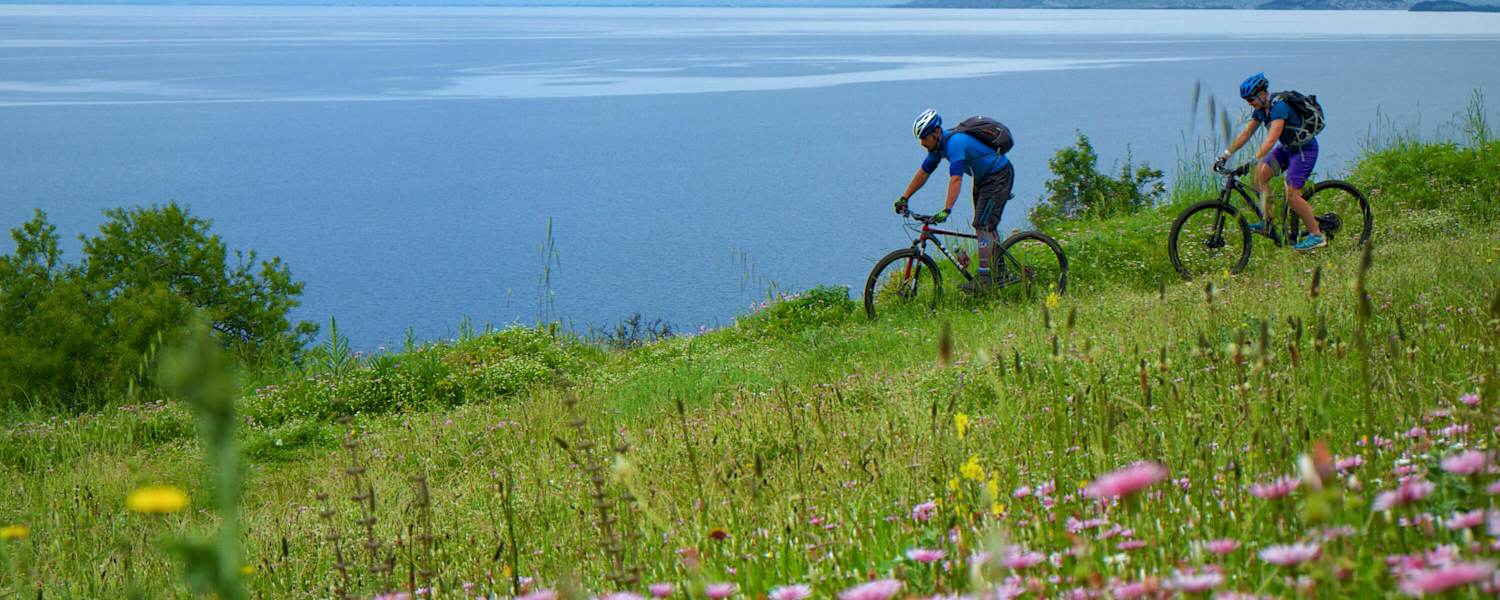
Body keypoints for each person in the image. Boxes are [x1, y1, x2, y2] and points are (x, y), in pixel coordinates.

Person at [894, 109, 1015, 294]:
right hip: (984, 179)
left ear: (935, 133)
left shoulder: (955, 143)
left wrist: (946, 210)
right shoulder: (937, 148)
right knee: (985, 226)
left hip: (998, 176)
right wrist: (904, 197)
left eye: (924, 137)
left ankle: (985, 279)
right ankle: (999, 273)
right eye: (920, 139)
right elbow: (923, 172)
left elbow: (956, 179)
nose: (922, 142)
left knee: (983, 225)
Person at [1216, 72, 1325, 251]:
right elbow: (1246, 134)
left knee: (1292, 195)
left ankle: (1316, 236)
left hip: (1303, 151)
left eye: (1251, 99)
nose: (1249, 103)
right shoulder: (1261, 110)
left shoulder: (1279, 108)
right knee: (1259, 176)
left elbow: (1271, 140)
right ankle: (1268, 222)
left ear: (1262, 94)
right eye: (1247, 100)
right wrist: (1225, 155)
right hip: (1287, 148)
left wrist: (1252, 160)